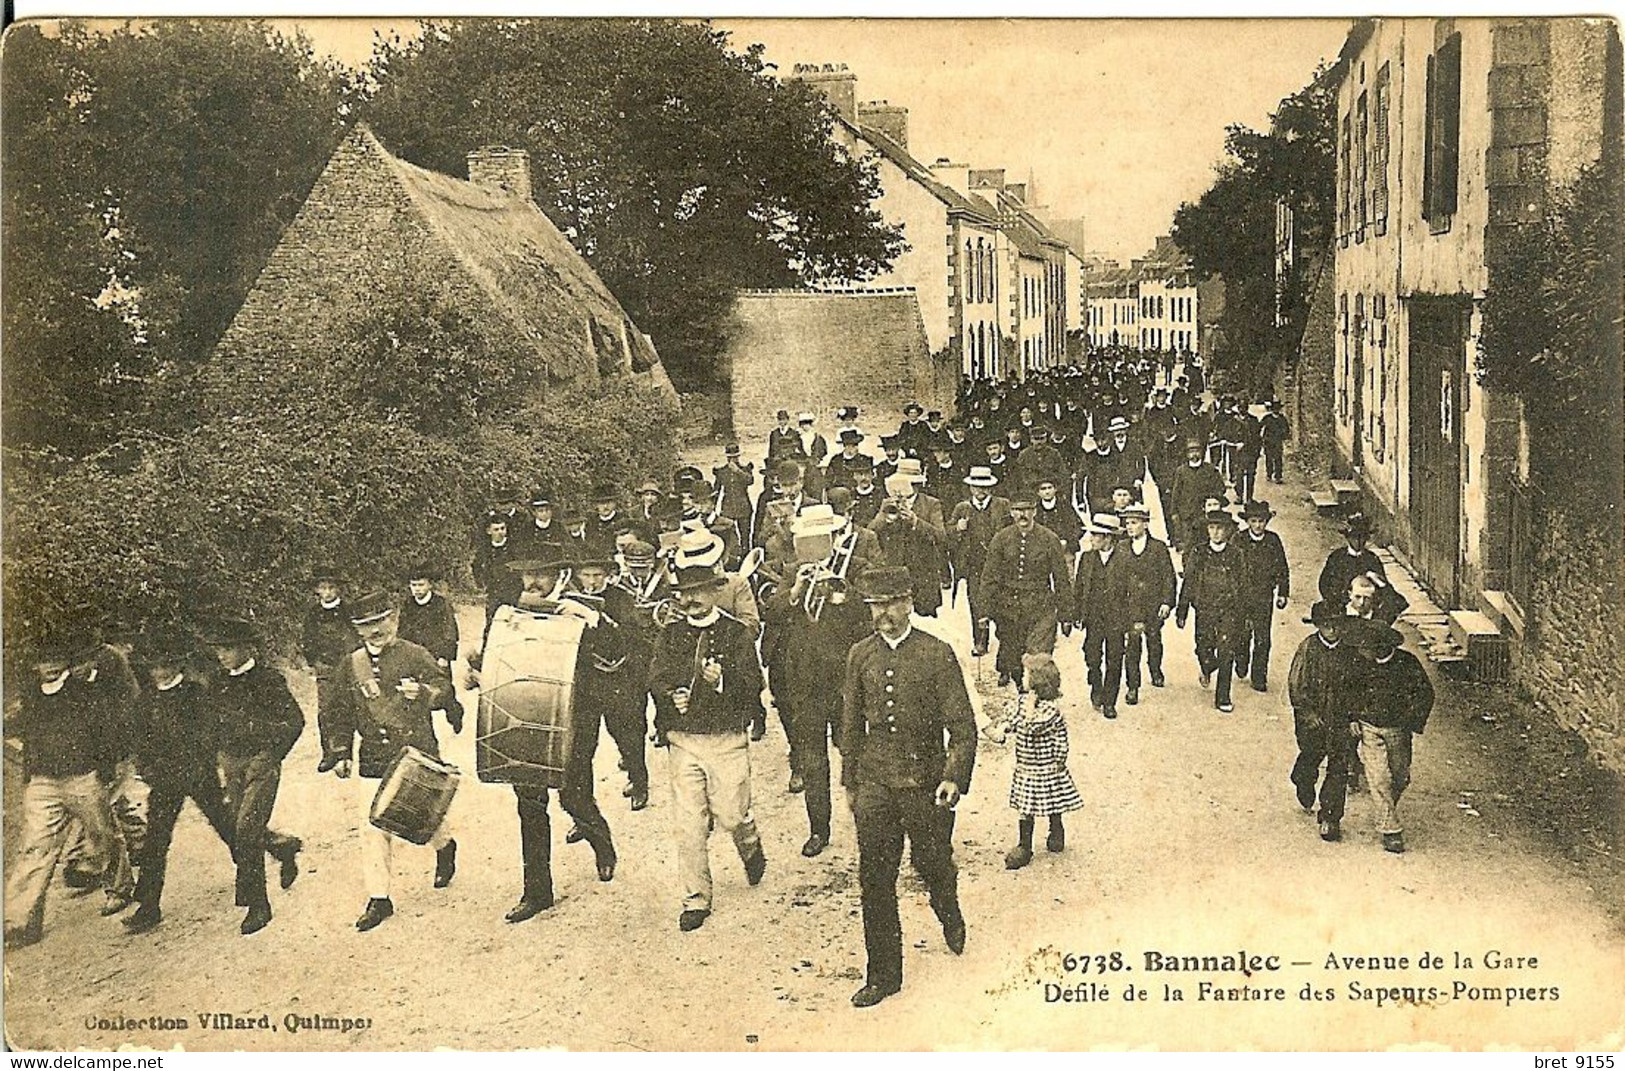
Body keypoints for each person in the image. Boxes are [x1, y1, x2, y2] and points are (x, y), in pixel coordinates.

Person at [841, 565, 976, 1009]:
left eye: (892, 604)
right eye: (876, 606)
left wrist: (953, 777)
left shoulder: (936, 654)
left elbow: (961, 726)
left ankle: (948, 910)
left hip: (925, 782)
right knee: (875, 879)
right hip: (875, 781)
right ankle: (883, 975)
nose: (884, 614)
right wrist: (852, 783)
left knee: (932, 861)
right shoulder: (860, 655)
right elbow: (850, 727)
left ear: (909, 603)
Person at [322, 593, 457, 932]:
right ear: (357, 630)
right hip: (374, 756)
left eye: (380, 622)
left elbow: (446, 690)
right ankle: (379, 899)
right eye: (366, 626)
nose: (374, 631)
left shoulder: (414, 654)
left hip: (415, 752)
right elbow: (336, 711)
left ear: (394, 620)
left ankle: (445, 846)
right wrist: (340, 751)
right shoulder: (351, 665)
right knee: (373, 825)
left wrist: (425, 693)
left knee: (422, 818)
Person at [126, 628, 273, 935]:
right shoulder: (147, 699)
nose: (159, 672)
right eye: (153, 667)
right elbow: (140, 741)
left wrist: (201, 764)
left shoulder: (195, 693)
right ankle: (148, 905)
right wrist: (148, 769)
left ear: (178, 666)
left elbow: (210, 734)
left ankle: (269, 860)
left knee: (230, 828)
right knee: (155, 840)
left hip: (198, 775)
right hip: (165, 781)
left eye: (165, 666)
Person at [649, 558, 769, 932]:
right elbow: (657, 677)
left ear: (715, 591)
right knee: (689, 825)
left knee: (731, 813)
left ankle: (749, 842)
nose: (691, 600)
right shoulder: (669, 635)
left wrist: (721, 682)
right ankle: (696, 899)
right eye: (685, 594)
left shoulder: (736, 635)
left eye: (698, 592)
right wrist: (672, 695)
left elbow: (754, 687)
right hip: (684, 740)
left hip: (727, 738)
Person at [4, 627, 136, 947]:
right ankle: (20, 921)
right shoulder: (32, 695)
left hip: (82, 776)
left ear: (66, 661)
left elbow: (104, 729)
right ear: (35, 665)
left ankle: (119, 889)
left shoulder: (83, 692)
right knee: (36, 847)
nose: (48, 666)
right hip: (43, 782)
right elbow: (17, 729)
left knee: (102, 834)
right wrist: (28, 764)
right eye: (42, 661)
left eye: (54, 660)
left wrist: (106, 768)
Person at [764, 506, 875, 857]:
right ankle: (819, 829)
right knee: (812, 759)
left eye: (818, 539)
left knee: (854, 754)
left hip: (844, 682)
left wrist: (842, 594)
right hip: (804, 682)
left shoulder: (852, 567)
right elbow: (773, 612)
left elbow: (867, 618)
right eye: (805, 540)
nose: (812, 545)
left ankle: (867, 823)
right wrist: (796, 590)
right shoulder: (792, 571)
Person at [201, 616, 306, 935]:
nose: (222, 655)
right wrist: (216, 756)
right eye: (219, 649)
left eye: (229, 648)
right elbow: (209, 725)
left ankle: (258, 905)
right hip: (231, 764)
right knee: (239, 828)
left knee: (246, 828)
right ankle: (281, 847)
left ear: (247, 649)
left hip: (261, 764)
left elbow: (294, 722)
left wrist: (270, 755)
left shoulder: (268, 680)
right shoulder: (216, 682)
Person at [1348, 620, 1434, 853]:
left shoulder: (1407, 664)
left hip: (1398, 729)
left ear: (1382, 646)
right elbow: (1350, 691)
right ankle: (1390, 830)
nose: (1363, 651)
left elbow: (1425, 694)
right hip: (1370, 727)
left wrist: (1412, 722)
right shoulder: (1361, 665)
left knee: (1400, 776)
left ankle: (1385, 809)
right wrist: (1353, 718)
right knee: (1378, 777)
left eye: (1368, 647)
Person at [990, 658, 1082, 869]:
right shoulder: (1022, 702)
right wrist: (1002, 728)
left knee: (1052, 800)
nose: (1022, 679)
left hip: (1046, 765)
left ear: (1037, 681)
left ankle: (1056, 829)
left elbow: (1032, 726)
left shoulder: (1050, 710)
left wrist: (1060, 760)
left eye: (1025, 675)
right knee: (1026, 806)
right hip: (1026, 766)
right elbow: (1011, 717)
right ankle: (1024, 845)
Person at [980, 492, 1069, 690]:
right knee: (1013, 651)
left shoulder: (1049, 539)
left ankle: (1041, 694)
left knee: (1039, 656)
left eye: (1027, 510)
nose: (1023, 515)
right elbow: (989, 577)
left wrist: (1065, 615)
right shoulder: (1001, 539)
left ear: (1035, 512)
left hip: (1040, 607)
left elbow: (1061, 579)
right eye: (1018, 510)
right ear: (1011, 512)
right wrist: (984, 611)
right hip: (1008, 607)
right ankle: (1020, 686)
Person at [1287, 602, 1358, 843]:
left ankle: (1330, 817)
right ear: (1318, 626)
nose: (1332, 630)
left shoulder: (1350, 651)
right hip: (1313, 720)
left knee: (1339, 766)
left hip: (1340, 718)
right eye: (1326, 625)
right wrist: (1307, 714)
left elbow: (1359, 685)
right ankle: (1302, 778)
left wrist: (1354, 717)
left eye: (1336, 625)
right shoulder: (1308, 649)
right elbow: (1296, 685)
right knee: (1311, 756)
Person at [1175, 509, 1249, 714]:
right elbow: (1188, 581)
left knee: (1226, 651)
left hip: (1228, 609)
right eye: (1212, 528)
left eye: (1220, 529)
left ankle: (1223, 697)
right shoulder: (1199, 552)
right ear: (1207, 530)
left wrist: (1244, 614)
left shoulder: (1236, 554)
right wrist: (1182, 611)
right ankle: (1207, 667)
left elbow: (1242, 585)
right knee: (1203, 648)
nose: (1216, 533)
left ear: (1227, 531)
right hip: (1204, 608)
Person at [948, 466, 1013, 656]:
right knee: (977, 603)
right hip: (974, 565)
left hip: (1000, 564)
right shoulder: (962, 508)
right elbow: (948, 533)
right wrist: (958, 529)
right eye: (976, 487)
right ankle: (980, 641)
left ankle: (1006, 645)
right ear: (970, 488)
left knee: (1002, 603)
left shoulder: (1002, 505)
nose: (980, 491)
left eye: (984, 487)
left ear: (991, 488)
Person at [868, 461, 947, 618]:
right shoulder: (887, 502)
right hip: (896, 571)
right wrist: (883, 518)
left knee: (924, 621)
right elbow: (870, 532)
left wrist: (916, 522)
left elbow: (941, 537)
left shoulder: (931, 504)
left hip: (923, 573)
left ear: (916, 485)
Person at [1116, 503, 1177, 704]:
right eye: (1127, 523)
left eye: (1134, 523)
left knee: (1154, 639)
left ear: (1145, 525)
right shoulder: (1122, 548)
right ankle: (1133, 686)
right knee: (1132, 644)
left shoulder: (1158, 548)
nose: (1130, 527)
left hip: (1153, 604)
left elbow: (1168, 577)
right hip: (1131, 605)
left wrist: (1167, 602)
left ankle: (1155, 668)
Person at [1073, 513, 1131, 718]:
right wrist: (1076, 615)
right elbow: (1079, 588)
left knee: (1114, 660)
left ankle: (1109, 701)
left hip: (1117, 619)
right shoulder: (1087, 558)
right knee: (1092, 656)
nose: (1091, 539)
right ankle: (1095, 685)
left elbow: (1133, 593)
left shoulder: (1125, 560)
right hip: (1093, 618)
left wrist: (1133, 620)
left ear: (1108, 538)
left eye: (1095, 535)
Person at [397, 562, 463, 734]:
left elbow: (450, 631)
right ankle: (427, 735)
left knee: (443, 694)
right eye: (413, 585)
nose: (417, 589)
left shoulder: (441, 604)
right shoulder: (408, 605)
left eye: (421, 585)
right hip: (416, 658)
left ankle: (455, 711)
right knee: (419, 698)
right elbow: (402, 632)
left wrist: (444, 657)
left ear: (430, 585)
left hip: (436, 657)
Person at [1235, 501, 1291, 693]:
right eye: (1254, 521)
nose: (1258, 525)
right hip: (1241, 597)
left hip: (1264, 596)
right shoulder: (1239, 540)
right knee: (1242, 634)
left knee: (1263, 638)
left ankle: (1259, 676)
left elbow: (1282, 568)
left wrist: (1283, 593)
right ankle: (1241, 660)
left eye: (1261, 521)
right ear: (1248, 522)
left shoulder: (1273, 541)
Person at [304, 566, 354, 773]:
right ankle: (328, 753)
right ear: (316, 590)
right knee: (326, 711)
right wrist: (314, 660)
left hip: (346, 665)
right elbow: (308, 640)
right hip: (324, 667)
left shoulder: (348, 611)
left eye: (331, 588)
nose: (327, 592)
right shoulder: (313, 613)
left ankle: (345, 752)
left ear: (338, 590)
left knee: (347, 708)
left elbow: (355, 637)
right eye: (322, 588)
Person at [1168, 438, 1227, 554]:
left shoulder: (1210, 469)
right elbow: (1176, 493)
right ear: (1187, 454)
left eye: (1197, 451)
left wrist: (1212, 499)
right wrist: (1174, 512)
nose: (1194, 454)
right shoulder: (1181, 471)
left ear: (1202, 453)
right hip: (1187, 515)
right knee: (1188, 545)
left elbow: (1221, 488)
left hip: (1206, 514)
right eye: (1191, 451)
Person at [712, 444, 757, 548]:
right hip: (728, 508)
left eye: (735, 457)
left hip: (743, 507)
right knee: (728, 536)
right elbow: (716, 491)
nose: (732, 460)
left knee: (745, 536)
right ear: (727, 457)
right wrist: (713, 508)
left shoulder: (745, 469)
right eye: (730, 457)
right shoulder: (722, 472)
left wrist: (737, 471)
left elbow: (750, 481)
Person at [1260, 399, 1290, 484]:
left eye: (1277, 408)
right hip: (1268, 441)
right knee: (1269, 458)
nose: (1276, 410)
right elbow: (1259, 426)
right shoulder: (1267, 418)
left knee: (1278, 459)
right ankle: (1269, 474)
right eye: (1274, 408)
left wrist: (1284, 435)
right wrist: (1261, 438)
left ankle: (1278, 476)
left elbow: (1286, 429)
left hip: (1277, 441)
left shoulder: (1282, 418)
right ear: (1272, 409)